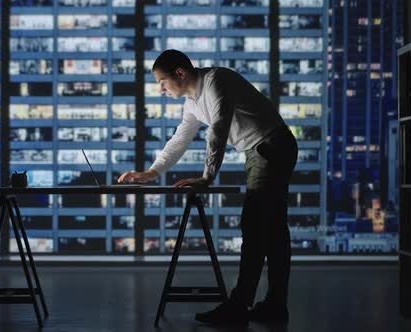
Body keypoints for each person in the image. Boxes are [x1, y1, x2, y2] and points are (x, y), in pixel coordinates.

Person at [118, 49, 298, 326]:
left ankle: (240, 306)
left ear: (180, 73)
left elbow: (219, 127)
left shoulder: (216, 81)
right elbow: (180, 139)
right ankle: (275, 306)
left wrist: (207, 177)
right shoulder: (192, 103)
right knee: (272, 231)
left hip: (271, 146)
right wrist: (153, 172)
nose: (161, 89)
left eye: (162, 82)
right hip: (261, 150)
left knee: (254, 225)